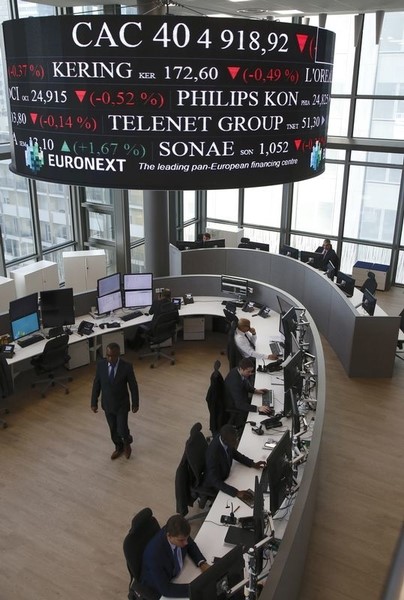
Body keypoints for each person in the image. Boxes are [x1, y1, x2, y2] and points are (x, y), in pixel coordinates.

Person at [141, 514, 209, 598]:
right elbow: (166, 590)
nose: (186, 543)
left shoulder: (178, 533)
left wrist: (202, 563)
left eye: (186, 538)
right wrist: (196, 589)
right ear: (169, 536)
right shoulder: (154, 556)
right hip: (158, 587)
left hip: (179, 575)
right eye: (181, 540)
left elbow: (190, 544)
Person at [91, 342, 139, 460]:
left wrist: (135, 403)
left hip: (122, 404)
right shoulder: (101, 366)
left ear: (118, 355)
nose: (110, 358)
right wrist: (93, 402)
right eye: (108, 355)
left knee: (122, 428)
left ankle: (127, 443)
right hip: (108, 404)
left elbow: (133, 386)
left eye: (112, 356)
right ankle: (119, 447)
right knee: (113, 429)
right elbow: (96, 384)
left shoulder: (126, 367)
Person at [203, 424, 267, 502]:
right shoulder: (213, 454)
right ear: (224, 440)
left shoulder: (226, 440)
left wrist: (252, 464)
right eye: (233, 440)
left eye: (236, 438)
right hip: (216, 482)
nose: (236, 442)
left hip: (227, 474)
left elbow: (235, 454)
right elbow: (214, 480)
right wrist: (236, 492)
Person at [224, 357, 273, 427]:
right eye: (248, 372)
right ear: (241, 369)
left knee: (260, 402)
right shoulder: (235, 382)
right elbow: (239, 404)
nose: (250, 374)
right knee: (258, 418)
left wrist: (255, 390)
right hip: (235, 404)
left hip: (241, 398)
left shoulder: (238, 371)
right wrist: (258, 408)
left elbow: (245, 383)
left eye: (251, 371)